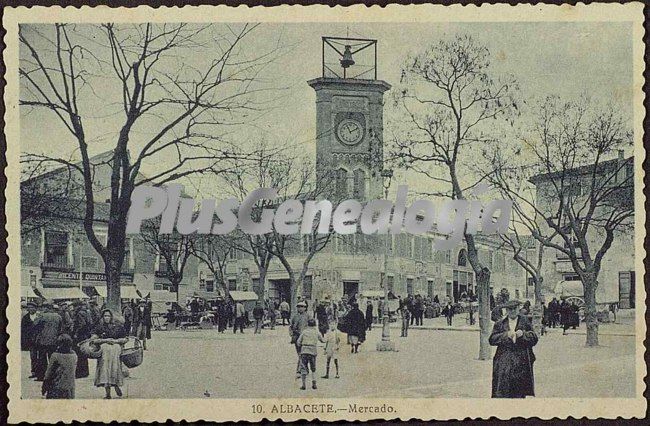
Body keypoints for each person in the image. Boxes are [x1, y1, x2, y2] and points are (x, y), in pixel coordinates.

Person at [489, 300, 537, 398]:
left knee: (519, 390)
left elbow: (534, 338)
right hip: (504, 360)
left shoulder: (525, 321)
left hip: (521, 361)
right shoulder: (500, 323)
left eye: (515, 309)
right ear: (506, 310)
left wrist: (523, 334)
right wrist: (505, 335)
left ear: (518, 309)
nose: (513, 311)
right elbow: (492, 339)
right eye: (510, 309)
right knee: (503, 389)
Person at [91, 309, 128, 399]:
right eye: (105, 316)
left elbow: (125, 338)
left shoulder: (118, 327)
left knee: (115, 368)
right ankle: (108, 393)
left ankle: (116, 385)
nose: (107, 318)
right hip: (105, 352)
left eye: (108, 316)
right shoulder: (99, 327)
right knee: (105, 370)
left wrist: (116, 341)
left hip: (115, 351)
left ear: (111, 317)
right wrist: (105, 340)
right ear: (102, 317)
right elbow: (93, 339)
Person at [41, 334, 78, 399]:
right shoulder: (74, 356)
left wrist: (44, 386)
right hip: (70, 388)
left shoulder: (55, 356)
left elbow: (48, 373)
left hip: (57, 387)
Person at [33, 302, 63, 381]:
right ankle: (53, 376)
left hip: (42, 341)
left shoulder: (42, 316)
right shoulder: (58, 316)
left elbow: (35, 324)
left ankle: (41, 376)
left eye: (43, 307)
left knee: (42, 359)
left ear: (46, 308)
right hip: (54, 341)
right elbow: (61, 328)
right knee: (53, 358)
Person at [296, 319, 324, 390]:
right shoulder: (316, 332)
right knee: (313, 368)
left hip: (304, 351)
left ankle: (303, 385)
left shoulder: (304, 332)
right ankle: (314, 383)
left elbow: (298, 342)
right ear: (315, 325)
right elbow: (322, 340)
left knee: (303, 368)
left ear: (307, 325)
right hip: (313, 351)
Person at [72, 300, 93, 379]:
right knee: (83, 353)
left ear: (78, 306)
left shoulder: (80, 313)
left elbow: (82, 324)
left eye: (75, 306)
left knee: (79, 353)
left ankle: (80, 372)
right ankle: (85, 371)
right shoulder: (86, 312)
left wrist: (76, 334)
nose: (74, 308)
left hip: (80, 336)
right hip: (85, 335)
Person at [290, 301, 310, 378]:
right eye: (298, 307)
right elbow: (291, 327)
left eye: (302, 307)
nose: (300, 308)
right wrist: (292, 334)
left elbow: (312, 326)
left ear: (305, 308)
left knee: (303, 354)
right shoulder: (295, 317)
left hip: (305, 337)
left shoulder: (308, 316)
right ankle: (304, 368)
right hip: (297, 337)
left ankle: (300, 370)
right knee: (300, 354)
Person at [21, 301, 40, 379]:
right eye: (29, 308)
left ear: (35, 308)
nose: (30, 309)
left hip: (39, 340)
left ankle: (41, 372)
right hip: (31, 341)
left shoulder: (39, 316)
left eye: (32, 308)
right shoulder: (25, 317)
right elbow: (23, 330)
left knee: (41, 357)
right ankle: (34, 372)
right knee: (33, 357)